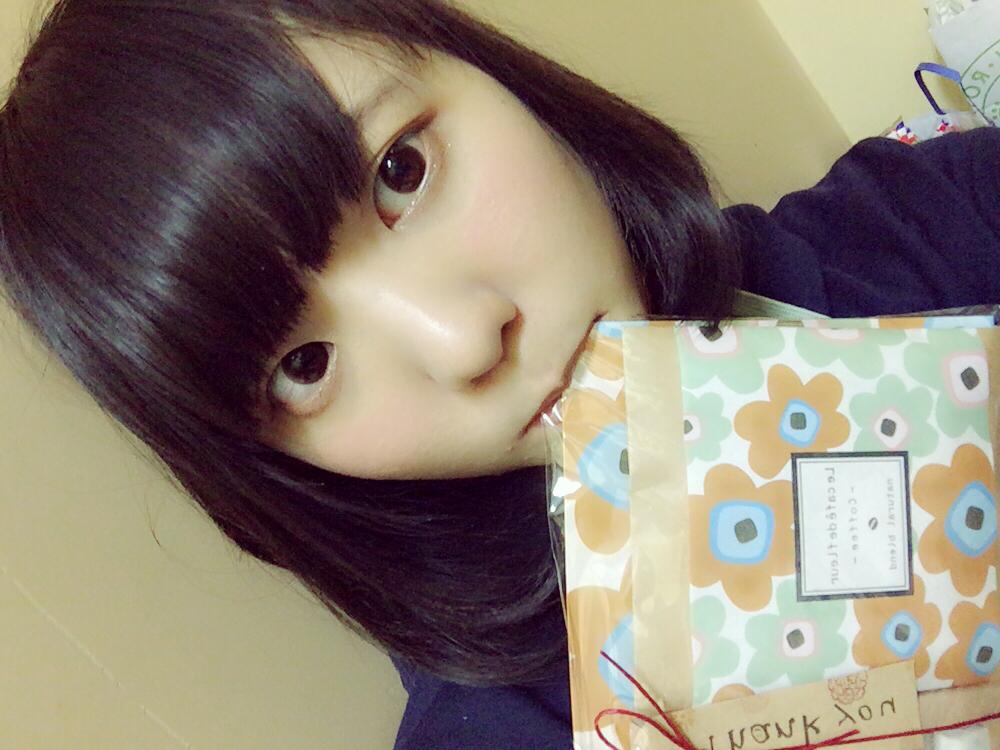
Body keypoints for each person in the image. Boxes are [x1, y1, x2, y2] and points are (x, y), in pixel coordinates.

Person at [0, 1, 996, 748]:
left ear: (478, 65)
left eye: (401, 172)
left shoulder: (929, 217)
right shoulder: (507, 729)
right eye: (303, 366)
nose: (464, 341)